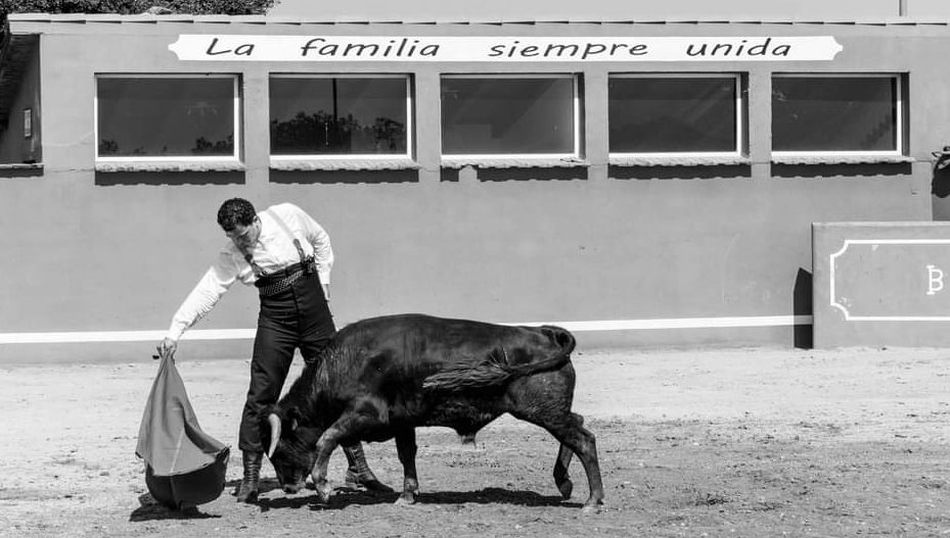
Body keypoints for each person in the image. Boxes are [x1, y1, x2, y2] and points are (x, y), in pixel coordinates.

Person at [156, 198, 390, 503]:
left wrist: (324, 281)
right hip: (276, 316)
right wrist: (175, 331)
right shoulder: (232, 254)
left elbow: (321, 239)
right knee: (261, 391)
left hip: (314, 309)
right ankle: (251, 476)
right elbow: (208, 290)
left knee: (338, 388)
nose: (239, 242)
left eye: (242, 235)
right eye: (232, 238)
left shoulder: (287, 215)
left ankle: (358, 467)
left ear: (255, 221)